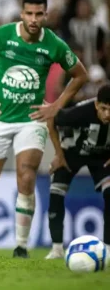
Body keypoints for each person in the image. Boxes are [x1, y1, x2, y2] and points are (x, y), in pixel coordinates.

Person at [0, 0, 88, 258]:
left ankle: (21, 246)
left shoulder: (53, 44)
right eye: (29, 13)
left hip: (31, 120)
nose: (34, 19)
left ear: (46, 15)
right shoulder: (2, 35)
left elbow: (80, 75)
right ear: (21, 13)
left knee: (26, 175)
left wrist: (56, 106)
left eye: (39, 14)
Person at [45, 85, 110, 259]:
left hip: (102, 156)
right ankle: (57, 249)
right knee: (56, 192)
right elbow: (51, 120)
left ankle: (108, 249)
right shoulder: (79, 113)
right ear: (97, 105)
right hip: (72, 152)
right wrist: (58, 154)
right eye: (104, 109)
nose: (107, 115)